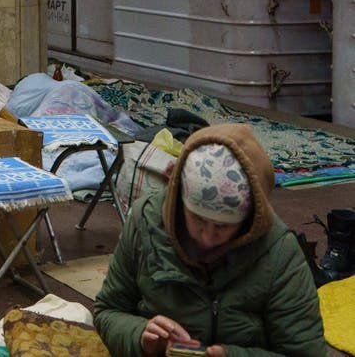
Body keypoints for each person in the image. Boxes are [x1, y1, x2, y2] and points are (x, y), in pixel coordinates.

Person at [93, 123, 325, 357]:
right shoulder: (146, 223)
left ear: (248, 219)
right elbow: (107, 310)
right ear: (179, 200)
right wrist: (141, 336)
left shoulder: (278, 251)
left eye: (223, 226)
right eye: (198, 219)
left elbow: (306, 352)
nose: (207, 237)